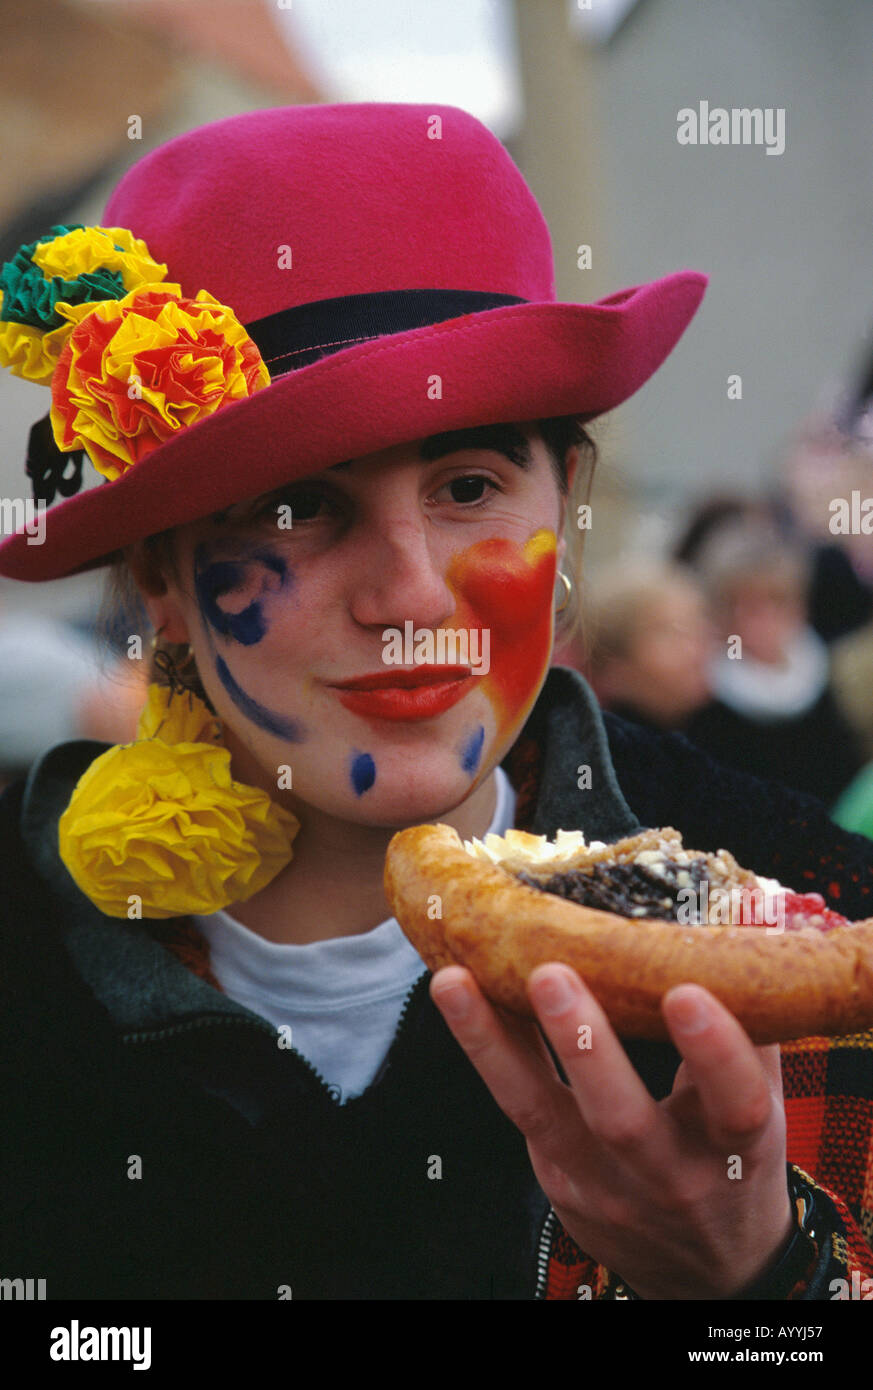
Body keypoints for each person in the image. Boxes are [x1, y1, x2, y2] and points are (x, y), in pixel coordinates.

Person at [0, 103, 871, 1302]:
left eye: (468, 484)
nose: (411, 593)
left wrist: (758, 1293)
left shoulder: (816, 933)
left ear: (560, 504)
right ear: (163, 575)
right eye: (297, 507)